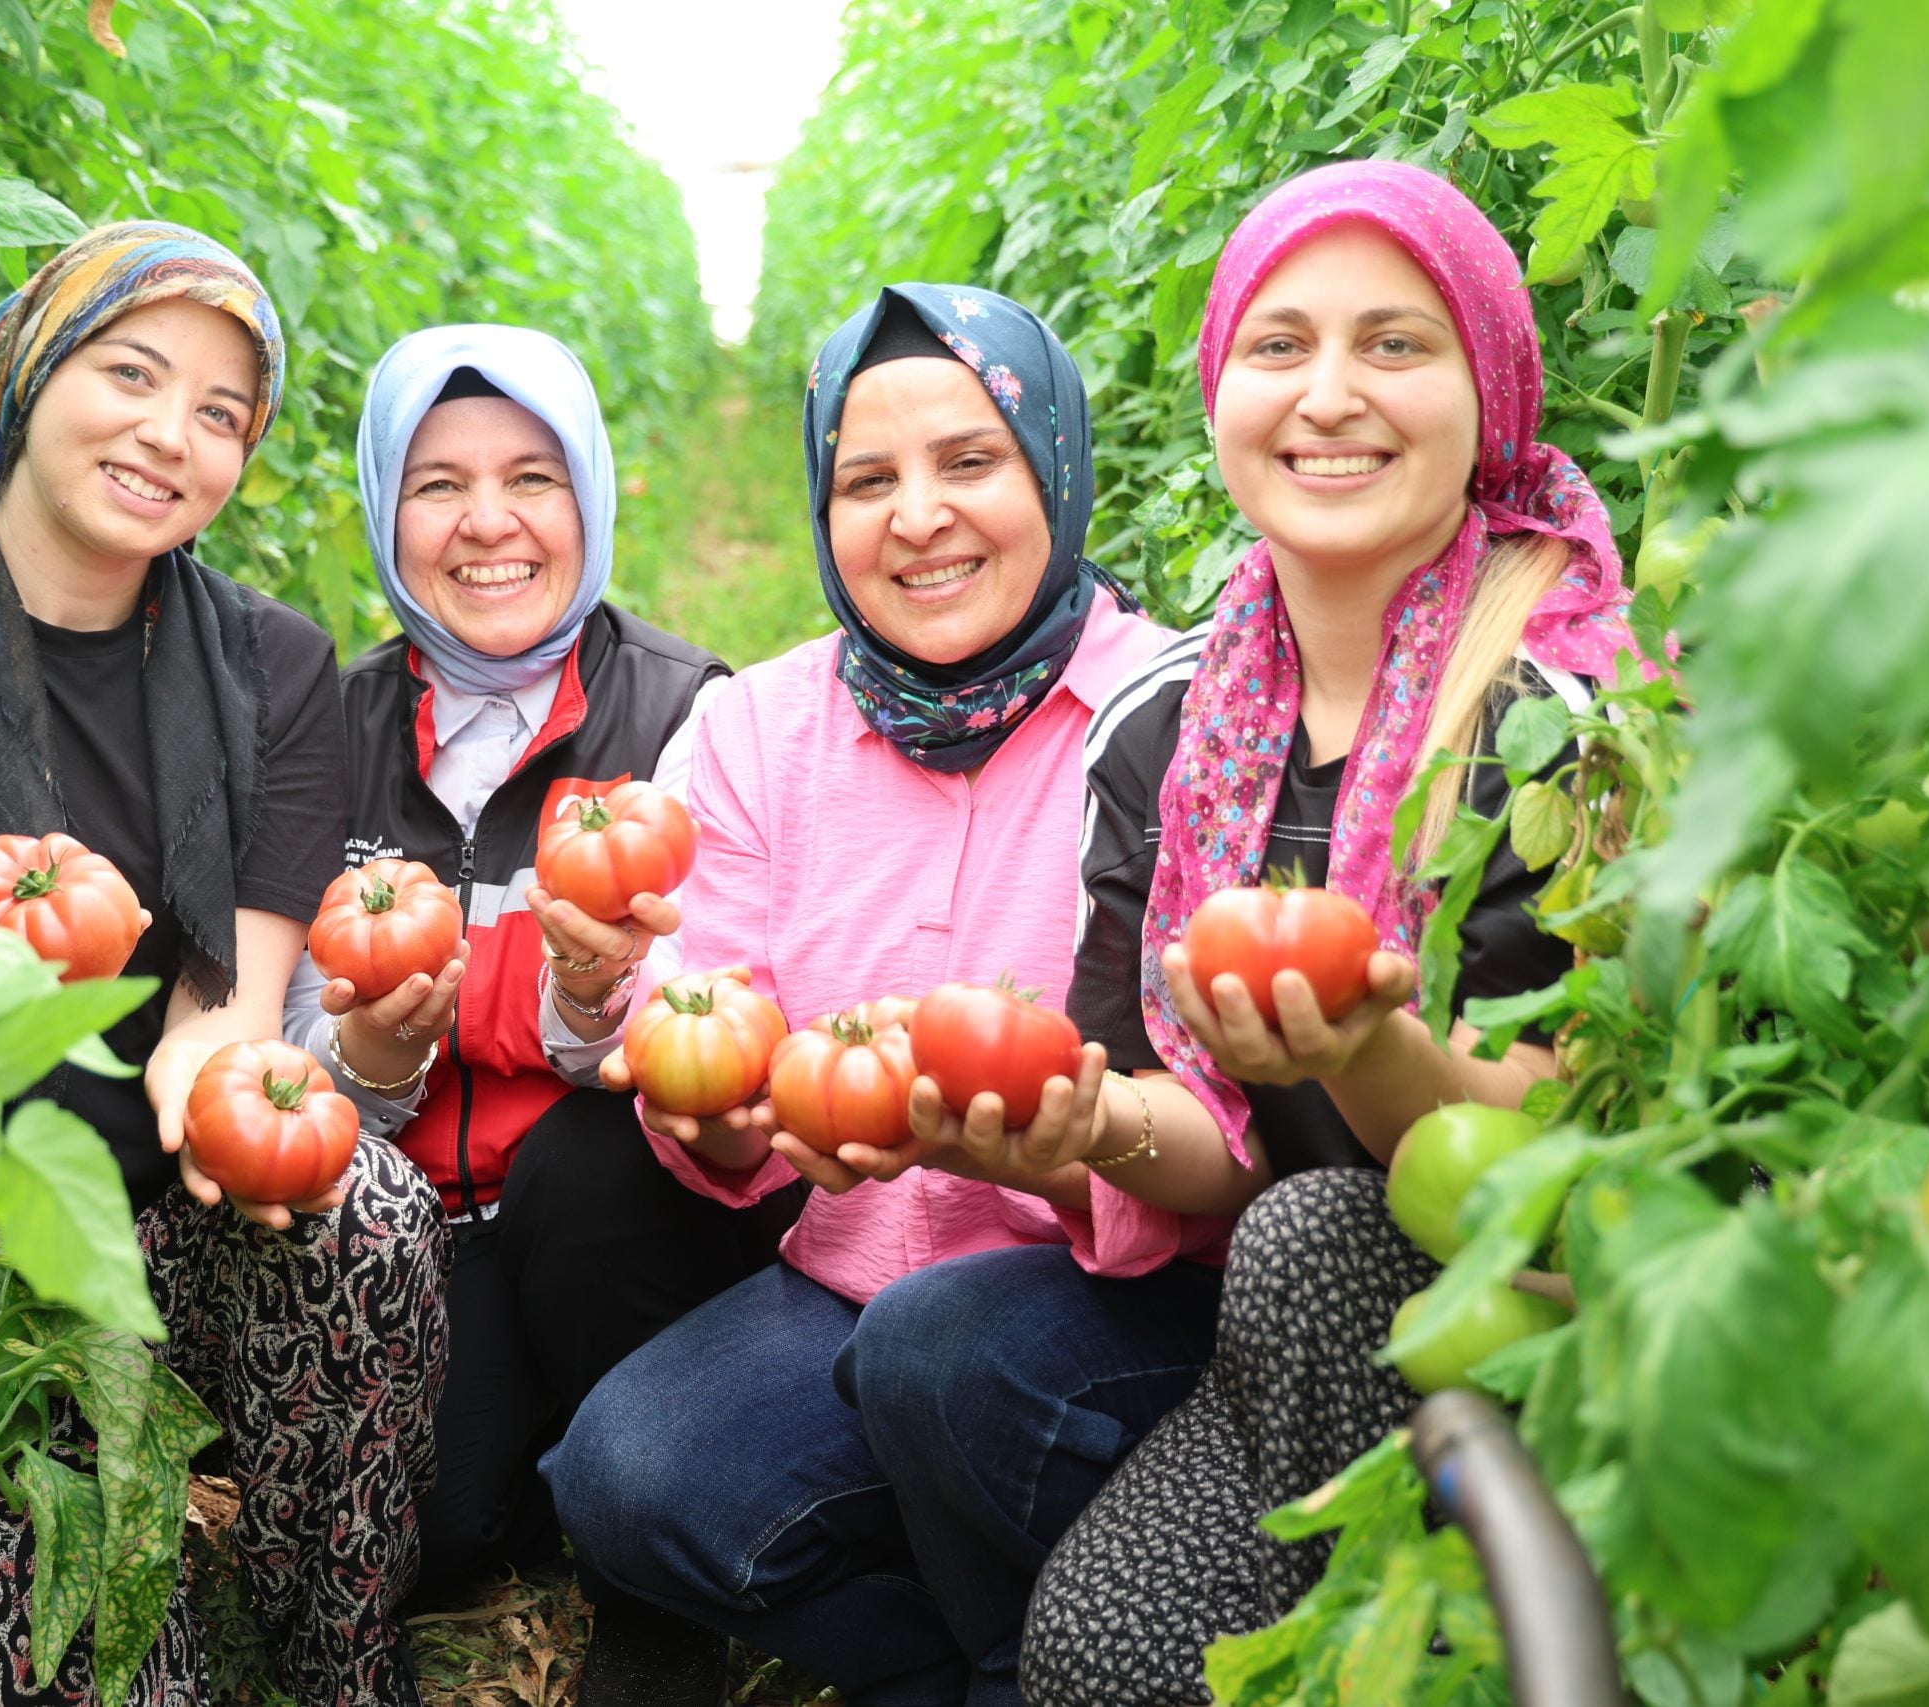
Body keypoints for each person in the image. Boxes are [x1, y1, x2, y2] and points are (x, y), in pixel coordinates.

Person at [0, 223, 449, 1707]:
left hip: (155, 1219)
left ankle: (337, 1653)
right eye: (130, 373)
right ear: (25, 374)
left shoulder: (269, 665)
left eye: (222, 414)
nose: (172, 436)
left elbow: (226, 1011)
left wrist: (220, 1087)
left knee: (370, 1218)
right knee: (82, 1674)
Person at [542, 284, 1237, 1707]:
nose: (917, 516)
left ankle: (1057, 1638)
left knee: (951, 1358)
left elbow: (1234, 1116)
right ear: (823, 505)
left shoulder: (1178, 712)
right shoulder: (756, 728)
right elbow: (712, 1059)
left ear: (1052, 466)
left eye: (969, 462)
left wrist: (1072, 1153)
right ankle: (976, 1656)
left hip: (1124, 1310)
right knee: (625, 1479)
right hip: (855, 1290)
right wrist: (727, 1115)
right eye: (868, 480)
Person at [1017, 160, 1638, 1706]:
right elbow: (1215, 1144)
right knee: (1091, 1657)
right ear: (1224, 392)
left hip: (1554, 1340)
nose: (1330, 395)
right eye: (1279, 346)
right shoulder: (1168, 731)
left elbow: (1571, 1166)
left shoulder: (1571, 722)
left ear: (1486, 394)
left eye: (1396, 344)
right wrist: (1081, 1125)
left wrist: (1374, 1054)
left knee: (1314, 1237)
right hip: (1295, 1333)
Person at [275, 325, 803, 1670]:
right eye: (437, 484)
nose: (488, 522)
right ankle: (557, 1471)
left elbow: (700, 1037)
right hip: (420, 1235)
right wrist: (378, 1058)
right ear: (386, 510)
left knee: (591, 1156)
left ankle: (658, 1571)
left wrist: (568, 994)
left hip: (622, 1227)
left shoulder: (688, 718)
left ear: (591, 498)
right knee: (440, 1540)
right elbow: (290, 1060)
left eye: (534, 476)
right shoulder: (322, 735)